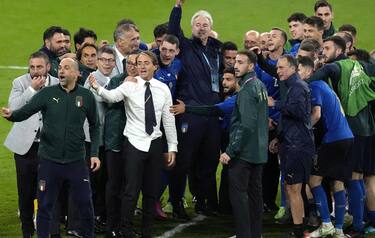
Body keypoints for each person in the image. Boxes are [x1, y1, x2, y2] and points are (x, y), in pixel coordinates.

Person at [2, 58, 100, 238]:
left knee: (85, 204)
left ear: (77, 74)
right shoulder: (47, 93)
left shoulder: (86, 96)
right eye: (60, 68)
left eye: (67, 68)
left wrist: (94, 153)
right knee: (45, 205)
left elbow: (95, 125)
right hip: (49, 162)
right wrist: (11, 115)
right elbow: (26, 111)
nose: (61, 71)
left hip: (76, 162)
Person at [89, 51, 177, 238]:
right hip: (134, 143)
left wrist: (172, 147)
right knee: (130, 191)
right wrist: (96, 87)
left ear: (155, 66)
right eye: (139, 63)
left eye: (146, 63)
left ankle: (147, 231)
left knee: (151, 192)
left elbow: (169, 120)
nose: (142, 66)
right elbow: (111, 97)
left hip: (154, 144)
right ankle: (126, 230)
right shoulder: (129, 85)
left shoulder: (163, 89)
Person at [309, 36, 375, 237]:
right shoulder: (363, 66)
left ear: (339, 51)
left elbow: (327, 71)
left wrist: (306, 79)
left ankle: (357, 227)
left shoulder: (338, 66)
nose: (323, 52)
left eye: (327, 48)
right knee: (365, 178)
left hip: (353, 129)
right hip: (369, 128)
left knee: (354, 178)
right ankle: (367, 220)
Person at [167, 0, 223, 218]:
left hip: (212, 112)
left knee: (209, 161)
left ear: (211, 27)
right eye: (197, 24)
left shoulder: (217, 49)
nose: (201, 27)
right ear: (192, 28)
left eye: (205, 24)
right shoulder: (186, 47)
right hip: (190, 112)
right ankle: (177, 203)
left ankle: (205, 202)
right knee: (184, 161)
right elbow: (172, 30)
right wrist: (178, 7)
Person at [3, 51, 59, 238]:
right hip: (25, 148)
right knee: (25, 193)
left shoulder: (59, 85)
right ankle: (27, 232)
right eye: (32, 67)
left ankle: (49, 231)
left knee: (48, 191)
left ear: (48, 67)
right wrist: (32, 90)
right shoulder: (20, 83)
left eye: (39, 67)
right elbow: (14, 107)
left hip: (49, 147)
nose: (35, 71)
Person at [298, 56, 354, 238]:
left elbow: (316, 113)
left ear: (309, 71)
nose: (297, 74)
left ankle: (326, 224)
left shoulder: (314, 86)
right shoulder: (325, 86)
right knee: (337, 181)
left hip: (333, 140)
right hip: (347, 137)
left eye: (299, 70)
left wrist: (303, 132)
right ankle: (338, 230)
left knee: (314, 181)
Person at [170, 66, 239, 215]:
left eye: (228, 80)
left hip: (236, 140)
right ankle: (218, 205)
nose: (224, 83)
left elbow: (212, 110)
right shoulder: (238, 95)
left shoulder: (236, 99)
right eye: (223, 80)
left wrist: (187, 108)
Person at [219, 50, 268, 238]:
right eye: (236, 62)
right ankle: (254, 234)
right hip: (258, 152)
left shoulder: (247, 90)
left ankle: (243, 235)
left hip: (244, 154)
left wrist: (230, 151)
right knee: (255, 197)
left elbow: (246, 125)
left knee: (239, 197)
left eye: (241, 62)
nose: (236, 65)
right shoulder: (259, 85)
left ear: (251, 66)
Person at [268, 55, 315, 238]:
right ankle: (300, 229)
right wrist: (279, 138)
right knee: (292, 188)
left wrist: (275, 104)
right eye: (277, 68)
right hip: (292, 143)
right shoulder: (293, 86)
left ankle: (300, 231)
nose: (278, 71)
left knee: (294, 188)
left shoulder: (297, 87)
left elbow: (299, 112)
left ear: (293, 68)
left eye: (281, 68)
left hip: (297, 145)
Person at [103, 52, 138, 238]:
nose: (132, 67)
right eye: (129, 63)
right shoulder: (117, 81)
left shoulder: (144, 84)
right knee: (114, 185)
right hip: (116, 141)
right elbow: (109, 104)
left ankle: (125, 225)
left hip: (135, 143)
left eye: (136, 63)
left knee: (130, 187)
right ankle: (111, 227)